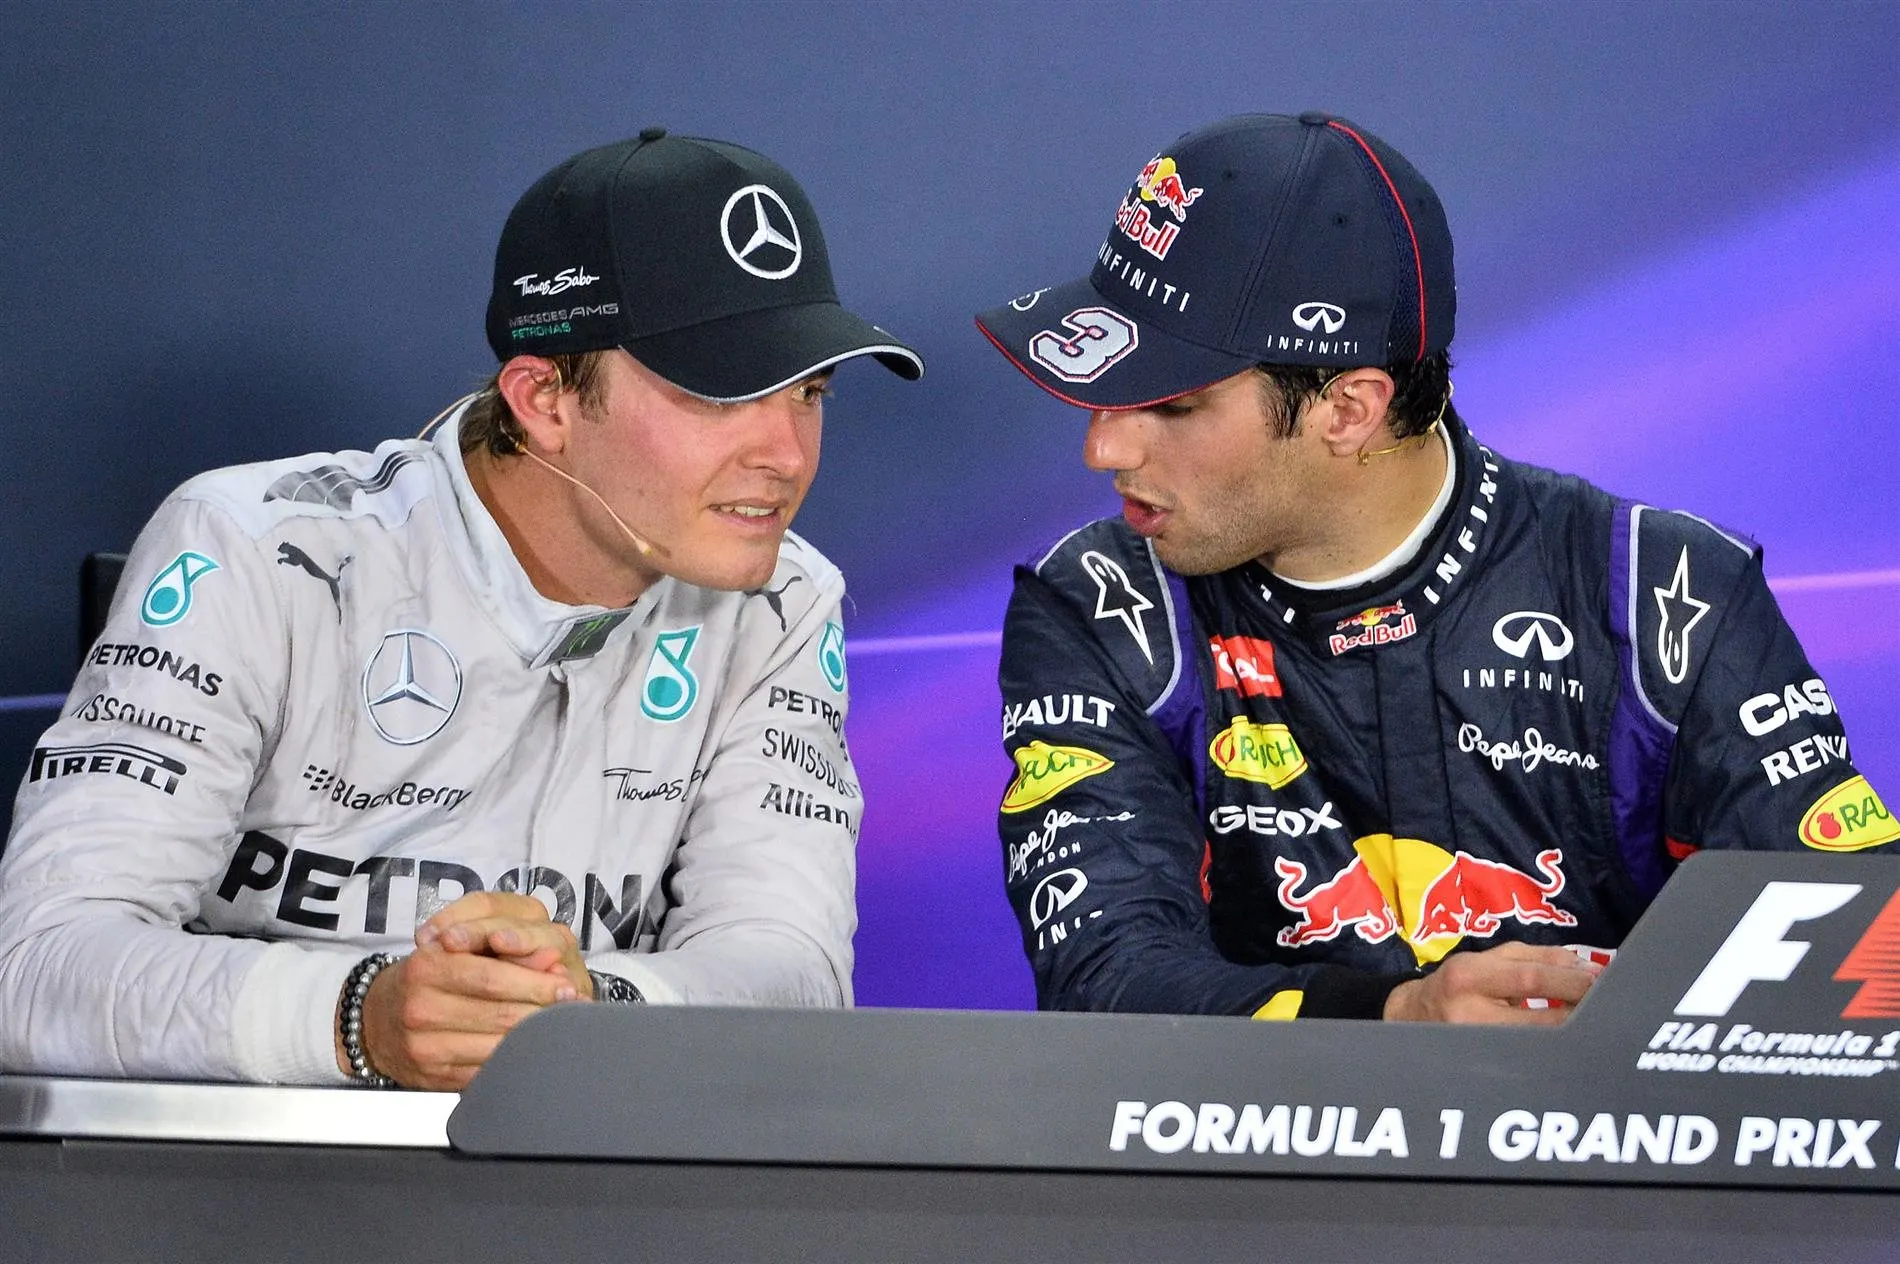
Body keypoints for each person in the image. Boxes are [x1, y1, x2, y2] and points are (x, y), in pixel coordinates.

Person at [0, 129, 922, 1089]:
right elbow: (34, 968)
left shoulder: (785, 602)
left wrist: (591, 1012)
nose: (786, 454)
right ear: (543, 399)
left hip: (589, 1198)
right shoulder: (257, 551)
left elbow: (793, 971)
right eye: (722, 395)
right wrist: (364, 1017)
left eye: (809, 392)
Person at [974, 111, 1892, 1027]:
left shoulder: (1665, 595)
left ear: (1349, 410)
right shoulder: (1100, 605)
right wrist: (1398, 1019)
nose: (1104, 446)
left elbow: (1859, 966)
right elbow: (1109, 982)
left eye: (1170, 403)